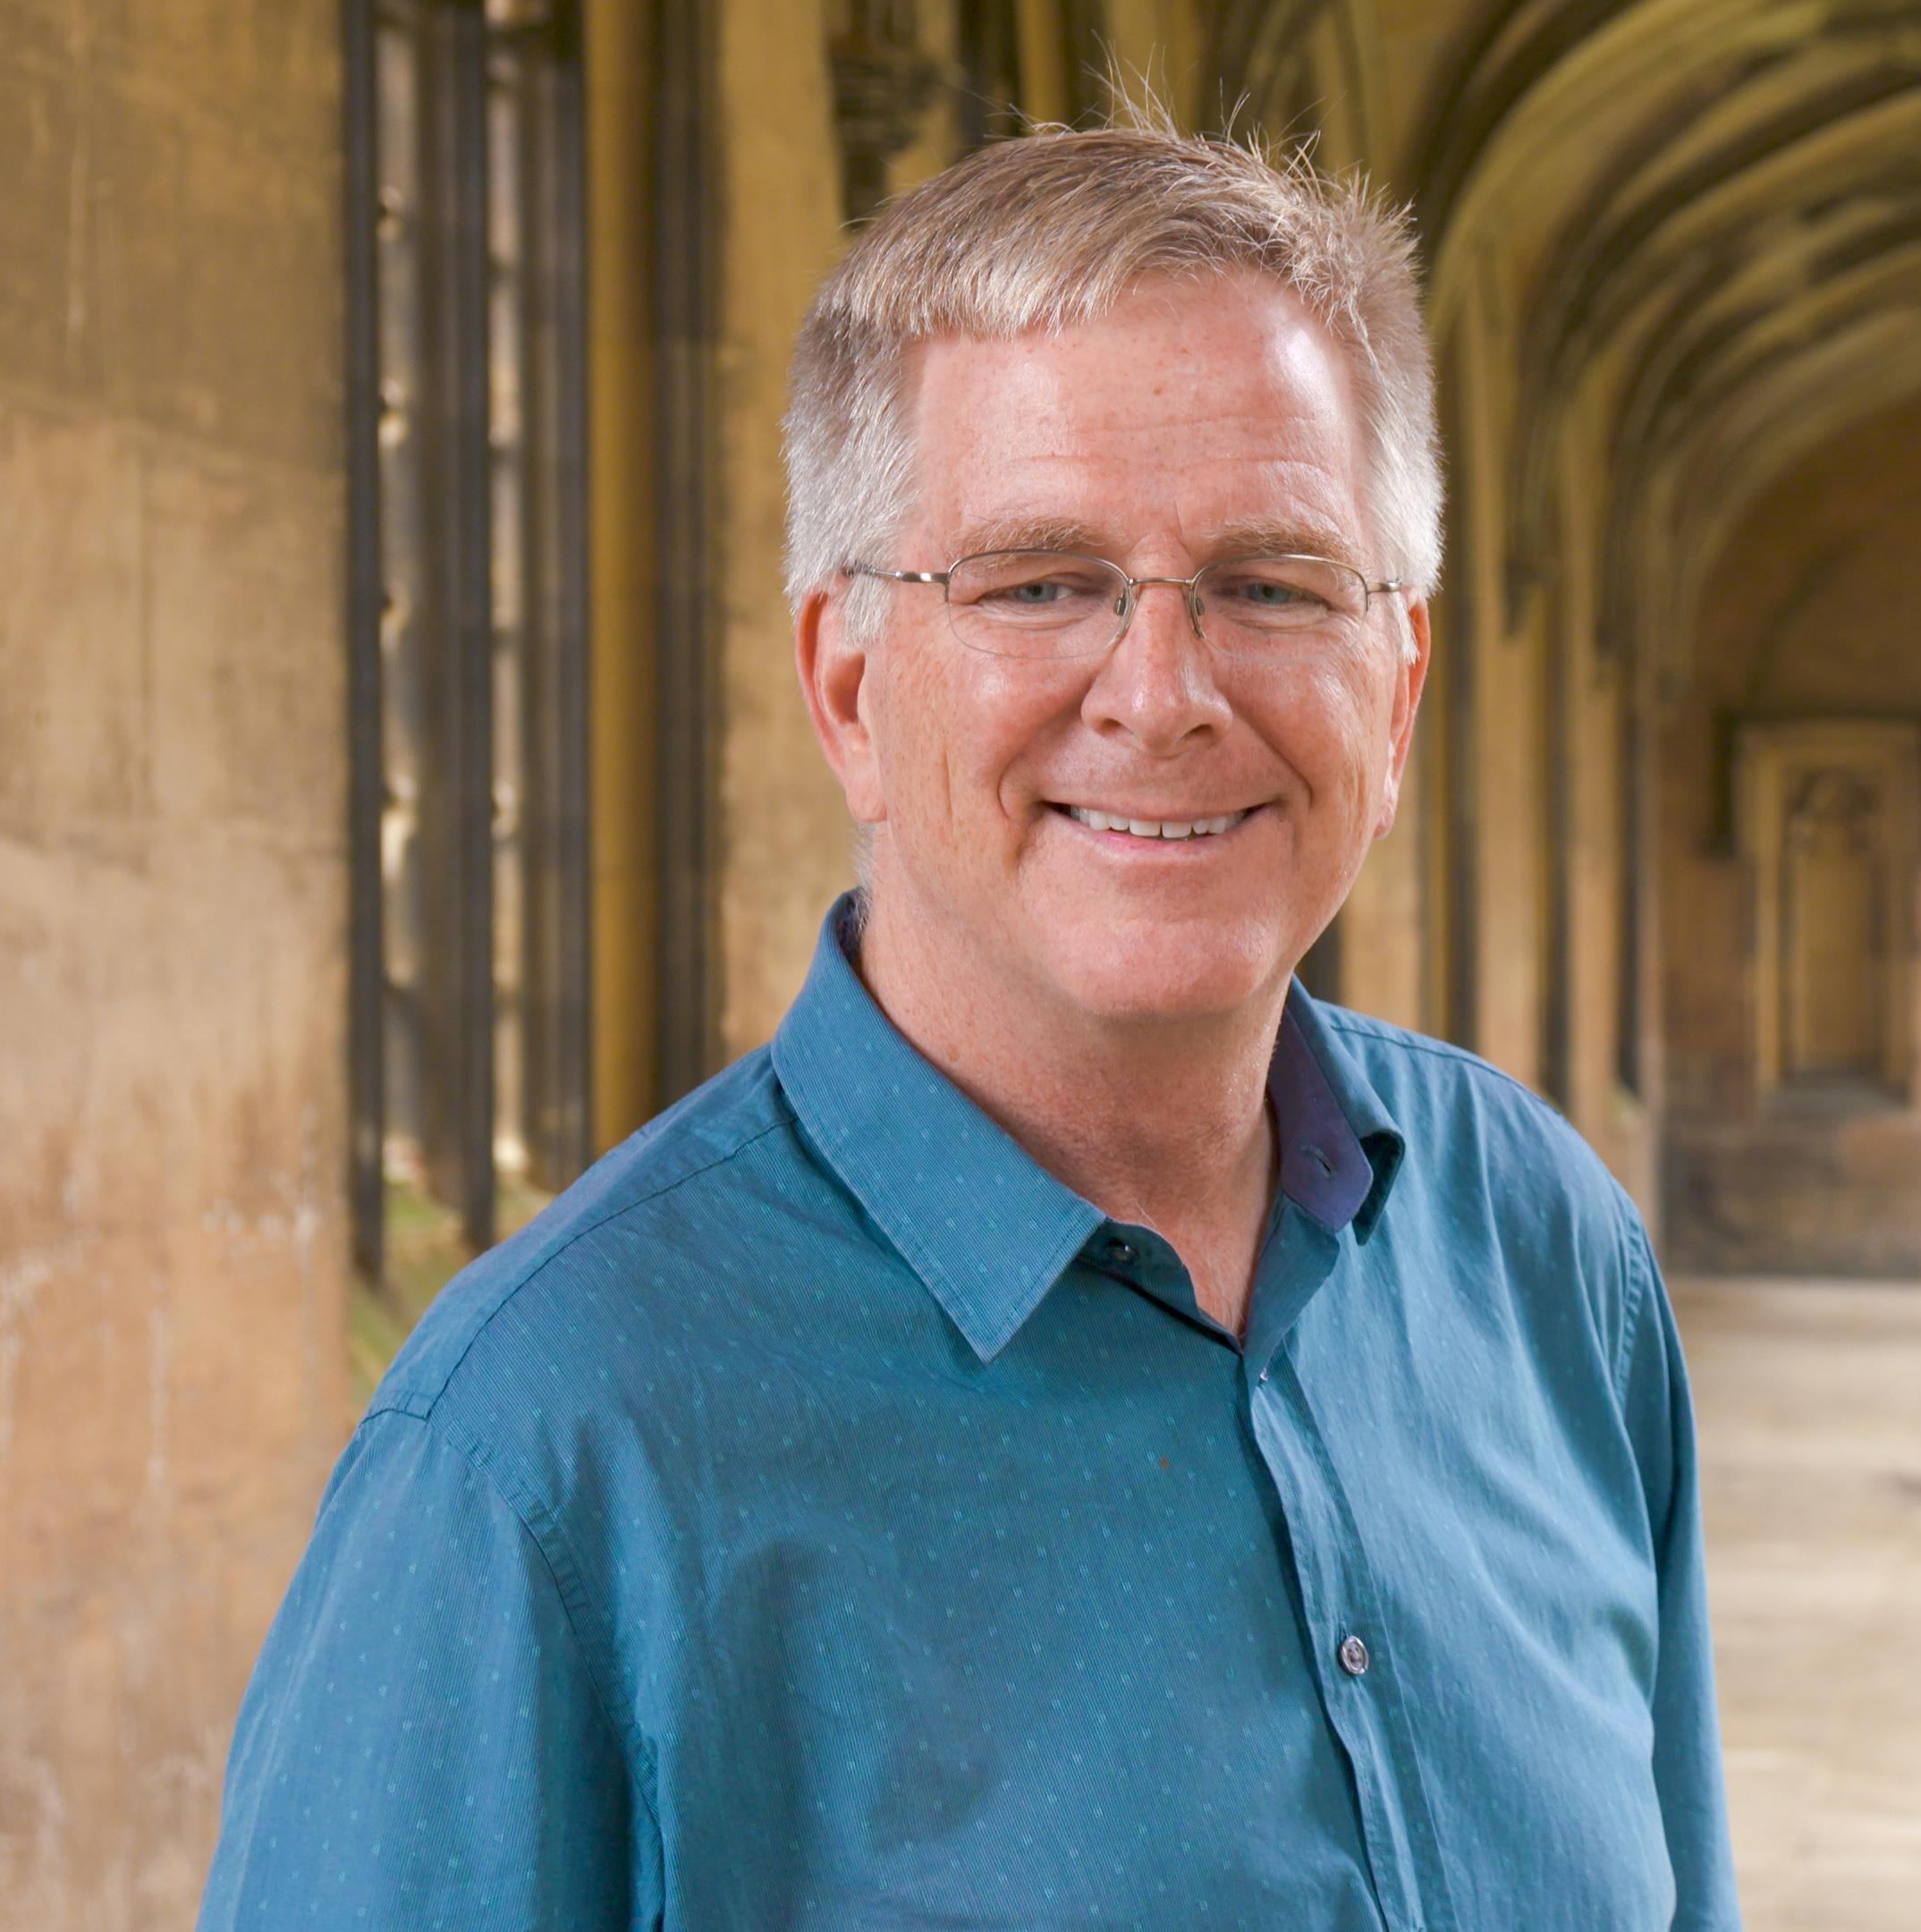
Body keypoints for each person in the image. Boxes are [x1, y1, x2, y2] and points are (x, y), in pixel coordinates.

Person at [199, 120, 1739, 1931]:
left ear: (1395, 693)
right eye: (1039, 583)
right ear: (849, 686)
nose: (1160, 698)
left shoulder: (1542, 1251)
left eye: (1270, 582)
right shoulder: (538, 1462)